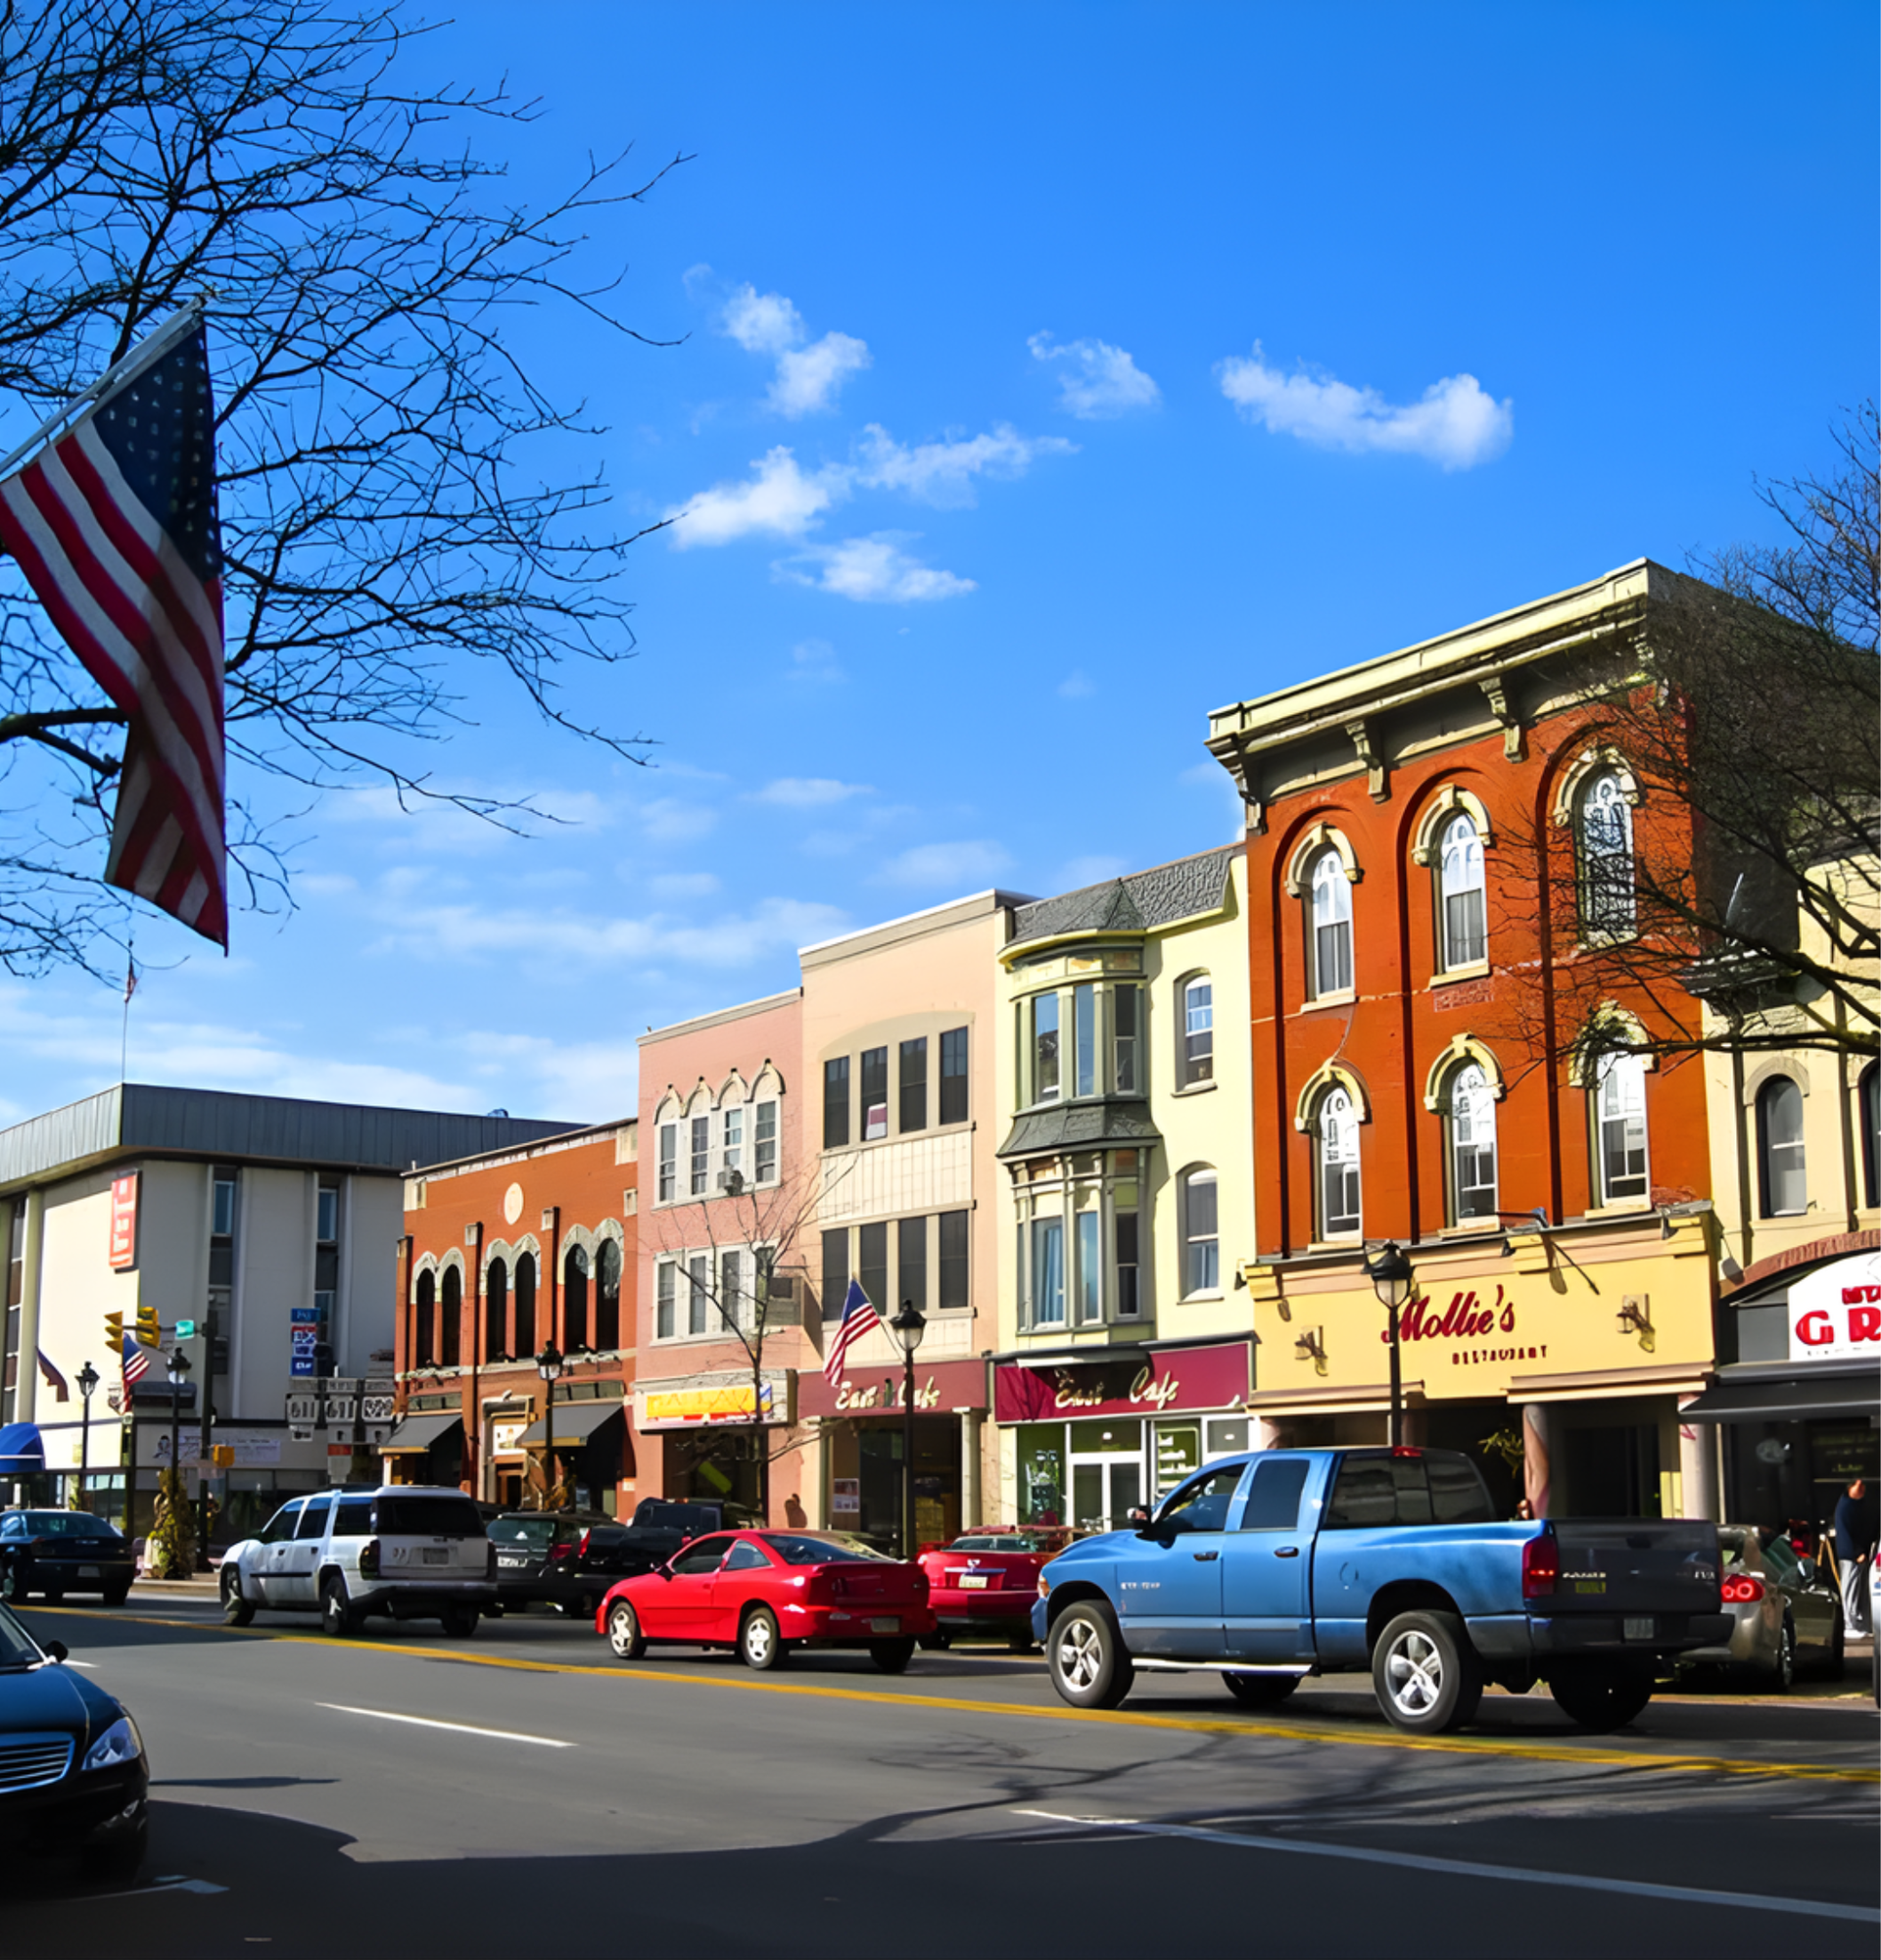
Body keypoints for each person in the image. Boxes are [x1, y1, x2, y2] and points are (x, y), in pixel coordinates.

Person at [1833, 1478, 1873, 1638]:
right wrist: (1857, 1552)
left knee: (1858, 1589)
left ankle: (1859, 1623)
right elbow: (1848, 1532)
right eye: (1858, 1486)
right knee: (1851, 1588)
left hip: (1855, 1553)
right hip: (1850, 1554)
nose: (1862, 1489)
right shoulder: (1847, 1506)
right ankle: (1850, 1624)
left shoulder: (1854, 1506)